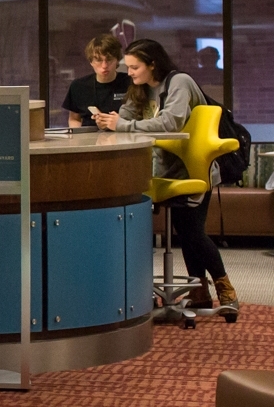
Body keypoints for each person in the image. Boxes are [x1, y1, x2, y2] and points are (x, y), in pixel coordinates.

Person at [96, 39, 236, 315]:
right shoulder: (140, 89)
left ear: (152, 64)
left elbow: (171, 121)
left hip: (193, 169)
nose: (131, 72)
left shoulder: (179, 82)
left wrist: (123, 125)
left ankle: (225, 289)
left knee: (193, 232)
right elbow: (127, 116)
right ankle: (199, 293)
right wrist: (112, 120)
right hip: (162, 170)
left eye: (135, 67)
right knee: (187, 233)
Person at [62, 34, 132, 128]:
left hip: (123, 135)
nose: (104, 66)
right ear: (91, 62)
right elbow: (74, 118)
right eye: (98, 60)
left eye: (109, 60)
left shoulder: (130, 82)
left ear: (117, 60)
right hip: (88, 137)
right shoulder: (79, 86)